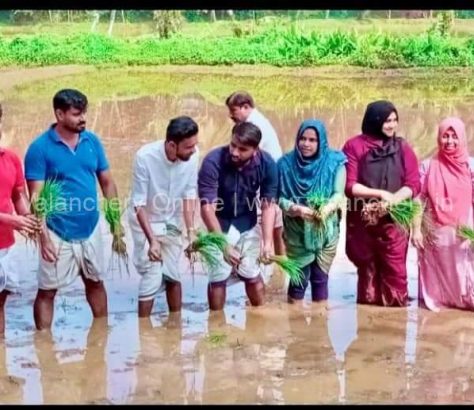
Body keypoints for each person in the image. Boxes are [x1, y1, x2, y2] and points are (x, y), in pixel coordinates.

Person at [24, 89, 120, 330]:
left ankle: (101, 336)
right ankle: (44, 343)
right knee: (47, 291)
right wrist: (43, 237)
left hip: (91, 227)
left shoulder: (92, 142)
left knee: (96, 282)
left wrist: (116, 222)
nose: (83, 119)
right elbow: (36, 199)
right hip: (57, 231)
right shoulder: (39, 149)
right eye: (77, 114)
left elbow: (107, 182)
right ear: (59, 114)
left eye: (83, 113)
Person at [342, 100, 421, 307]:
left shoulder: (402, 148)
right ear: (374, 121)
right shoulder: (354, 146)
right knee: (367, 274)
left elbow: (413, 184)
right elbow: (350, 186)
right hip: (363, 221)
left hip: (394, 221)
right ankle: (368, 329)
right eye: (387, 121)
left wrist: (393, 201)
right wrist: (380, 195)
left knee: (395, 271)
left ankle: (395, 324)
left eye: (395, 120)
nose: (392, 126)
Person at [198, 121, 278, 310]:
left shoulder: (268, 164)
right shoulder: (213, 161)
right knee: (218, 278)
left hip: (248, 225)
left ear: (255, 150)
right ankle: (216, 324)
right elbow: (207, 207)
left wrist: (267, 243)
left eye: (242, 149)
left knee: (252, 274)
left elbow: (268, 206)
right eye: (233, 145)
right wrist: (222, 244)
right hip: (218, 225)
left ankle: (259, 316)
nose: (235, 152)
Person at [128, 116, 199, 317]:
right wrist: (153, 241)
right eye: (188, 147)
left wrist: (191, 231)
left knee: (173, 273)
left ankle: (175, 327)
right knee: (152, 273)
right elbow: (138, 203)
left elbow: (189, 194)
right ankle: (143, 330)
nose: (193, 150)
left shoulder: (193, 156)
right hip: (146, 222)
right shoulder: (145, 157)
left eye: (195, 145)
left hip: (172, 222)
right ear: (171, 144)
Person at [278, 119, 347, 303]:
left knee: (320, 279)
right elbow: (278, 197)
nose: (306, 144)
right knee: (298, 279)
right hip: (296, 232)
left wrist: (327, 208)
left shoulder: (335, 162)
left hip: (325, 231)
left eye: (312, 140)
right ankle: (294, 321)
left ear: (321, 141)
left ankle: (320, 324)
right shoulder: (284, 164)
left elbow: (338, 194)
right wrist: (294, 208)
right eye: (303, 138)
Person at [412, 117, 474, 312]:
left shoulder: (470, 166)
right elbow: (418, 200)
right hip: (435, 232)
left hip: (464, 229)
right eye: (445, 136)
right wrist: (416, 230)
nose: (449, 141)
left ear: (462, 138)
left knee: (464, 269)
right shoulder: (428, 166)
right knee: (437, 275)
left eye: (454, 136)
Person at [225, 91, 285, 281]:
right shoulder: (257, 121)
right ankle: (280, 270)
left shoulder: (253, 126)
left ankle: (261, 265)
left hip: (266, 178)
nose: (231, 116)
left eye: (233, 111)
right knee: (276, 224)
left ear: (245, 107)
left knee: (262, 224)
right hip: (273, 176)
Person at [0, 103, 40, 337]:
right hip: (7, 232)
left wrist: (27, 217)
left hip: (5, 246)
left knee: (0, 304)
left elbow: (17, 195)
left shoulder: (11, 158)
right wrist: (12, 221)